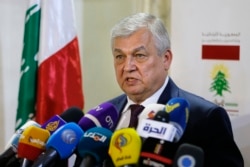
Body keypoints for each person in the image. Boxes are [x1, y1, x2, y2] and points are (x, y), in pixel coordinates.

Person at [105, 13, 244, 167]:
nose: (127, 67)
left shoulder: (205, 118)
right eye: (119, 57)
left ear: (166, 59)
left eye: (139, 55)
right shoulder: (103, 117)